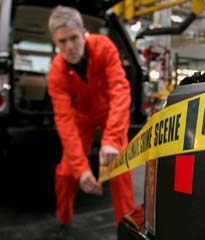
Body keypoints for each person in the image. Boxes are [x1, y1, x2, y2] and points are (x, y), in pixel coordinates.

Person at [47, 5, 134, 227]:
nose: (70, 47)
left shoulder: (103, 47)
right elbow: (64, 121)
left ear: (84, 33)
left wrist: (112, 139)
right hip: (82, 119)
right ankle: (64, 219)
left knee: (120, 167)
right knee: (66, 173)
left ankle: (125, 226)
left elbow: (120, 90)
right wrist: (82, 169)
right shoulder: (56, 72)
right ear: (55, 43)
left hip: (110, 115)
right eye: (62, 42)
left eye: (74, 38)